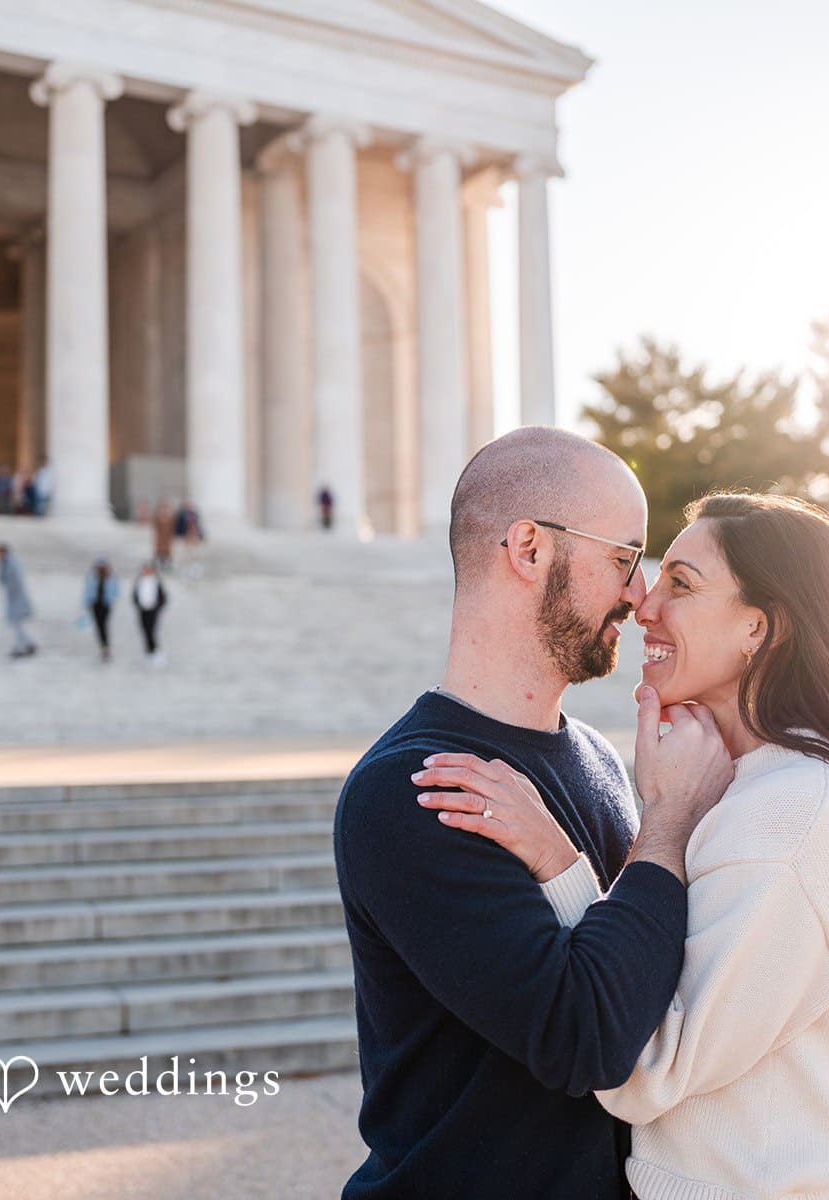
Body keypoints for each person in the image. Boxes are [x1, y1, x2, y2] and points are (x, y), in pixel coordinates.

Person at [422, 491, 829, 1199]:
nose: (643, 604)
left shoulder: (788, 817)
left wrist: (562, 861)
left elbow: (640, 1065)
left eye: (682, 584)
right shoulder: (758, 789)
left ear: (759, 630)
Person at [333, 427, 736, 1200]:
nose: (640, 594)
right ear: (528, 549)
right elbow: (587, 1039)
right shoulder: (414, 787)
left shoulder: (592, 754)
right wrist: (668, 823)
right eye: (623, 558)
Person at [0, 543, 36, 658]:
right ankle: (28, 643)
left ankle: (22, 646)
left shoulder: (11, 563)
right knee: (17, 624)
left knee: (16, 624)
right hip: (14, 597)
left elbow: (15, 580)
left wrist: (12, 590)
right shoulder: (6, 562)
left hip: (16, 598)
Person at [82, 557, 118, 662]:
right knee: (98, 625)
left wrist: (112, 598)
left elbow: (116, 590)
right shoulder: (92, 577)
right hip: (95, 604)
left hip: (106, 604)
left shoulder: (111, 577)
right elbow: (87, 590)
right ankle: (103, 646)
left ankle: (105, 646)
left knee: (104, 624)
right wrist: (86, 602)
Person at [132, 561, 168, 665]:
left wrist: (158, 606)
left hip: (153, 610)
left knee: (152, 630)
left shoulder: (156, 581)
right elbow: (135, 595)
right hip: (142, 609)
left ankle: (155, 650)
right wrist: (138, 604)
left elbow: (163, 597)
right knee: (144, 630)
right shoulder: (140, 581)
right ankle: (149, 651)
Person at [152, 501, 176, 570]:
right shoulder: (157, 519)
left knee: (167, 557)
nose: (164, 510)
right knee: (159, 557)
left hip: (167, 544)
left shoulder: (171, 519)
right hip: (159, 544)